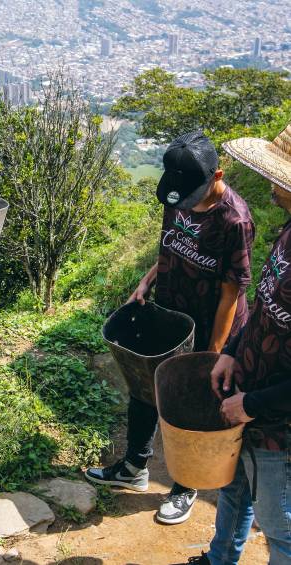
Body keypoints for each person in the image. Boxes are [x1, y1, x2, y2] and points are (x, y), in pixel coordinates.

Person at [85, 131, 255, 525]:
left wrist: (211, 354)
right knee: (145, 384)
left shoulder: (235, 220)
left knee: (190, 401)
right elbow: (168, 245)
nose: (185, 202)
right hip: (170, 311)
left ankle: (185, 486)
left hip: (210, 323)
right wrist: (147, 281)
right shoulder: (177, 196)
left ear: (217, 175)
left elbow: (231, 293)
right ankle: (134, 467)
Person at [181, 122, 291, 564]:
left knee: (280, 527)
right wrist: (231, 350)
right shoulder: (289, 230)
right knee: (235, 489)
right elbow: (265, 307)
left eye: (279, 180)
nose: (271, 187)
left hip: (278, 427)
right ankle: (219, 558)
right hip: (250, 396)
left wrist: (253, 404)